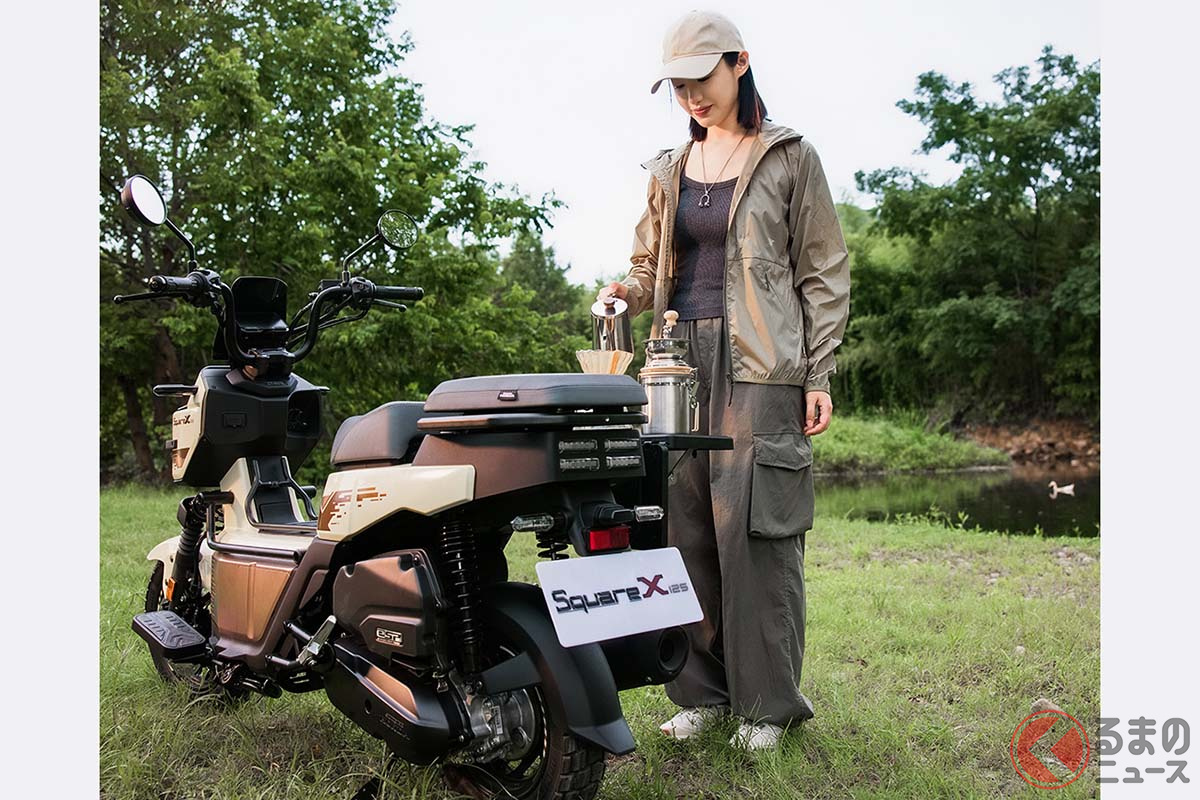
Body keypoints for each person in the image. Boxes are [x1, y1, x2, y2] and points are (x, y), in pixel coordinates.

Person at [598, 10, 851, 751]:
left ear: (739, 63)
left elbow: (823, 271)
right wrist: (626, 292)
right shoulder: (668, 169)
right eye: (677, 87)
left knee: (757, 534)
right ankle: (701, 694)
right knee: (682, 526)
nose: (690, 97)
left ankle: (768, 707)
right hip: (673, 362)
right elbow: (648, 265)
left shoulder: (790, 157)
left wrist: (818, 372)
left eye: (700, 79)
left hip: (762, 365)